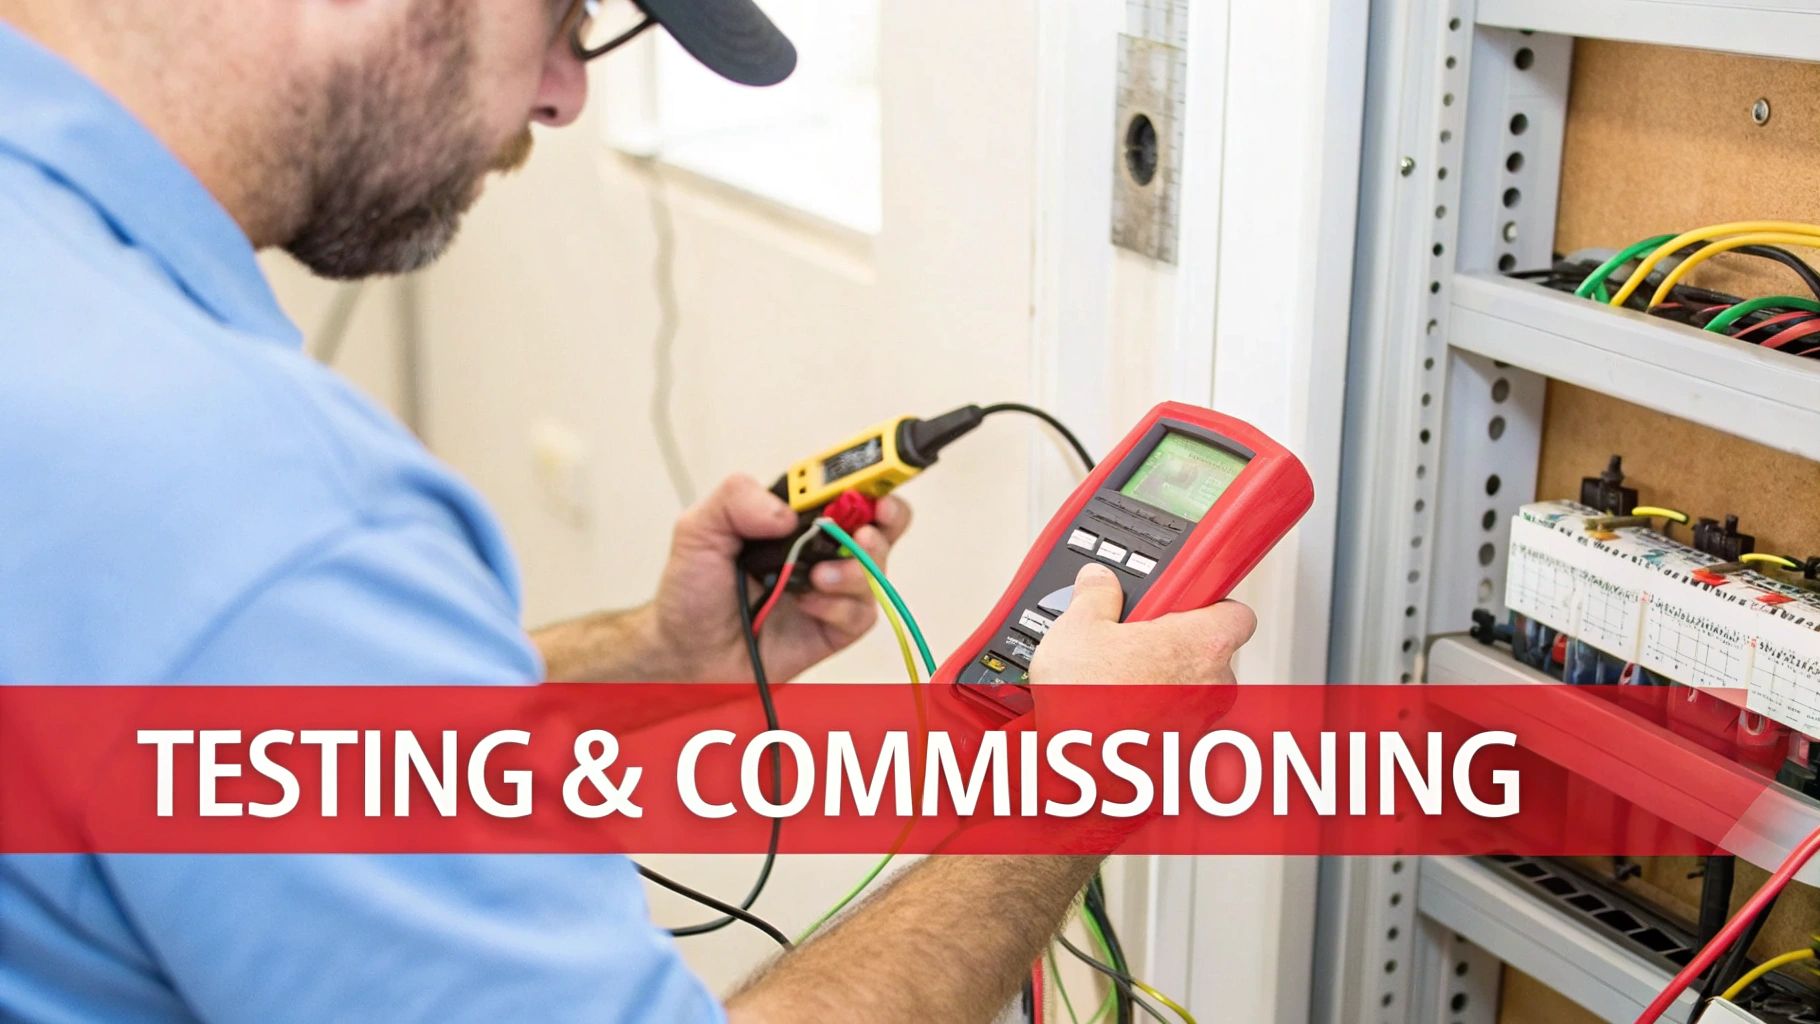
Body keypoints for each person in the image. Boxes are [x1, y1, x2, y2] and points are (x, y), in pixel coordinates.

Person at [0, 0, 1258, 1020]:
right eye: (564, 15)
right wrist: (1074, 780)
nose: (563, 92)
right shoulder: (273, 520)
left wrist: (654, 658)